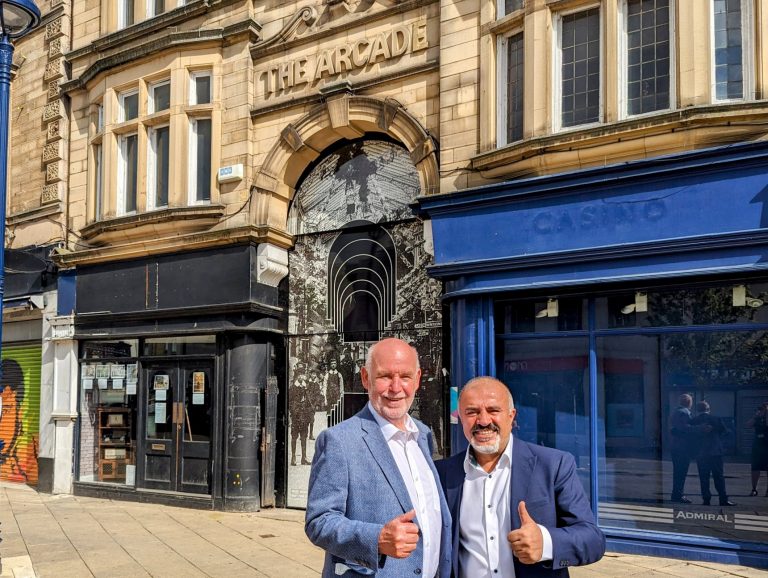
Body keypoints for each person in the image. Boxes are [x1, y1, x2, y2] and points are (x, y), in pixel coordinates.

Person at [305, 338, 451, 578]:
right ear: (365, 378)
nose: (395, 388)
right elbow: (319, 522)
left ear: (417, 379)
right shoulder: (338, 440)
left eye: (405, 377)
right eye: (385, 376)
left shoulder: (424, 434)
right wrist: (377, 539)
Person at [435, 377, 605, 578]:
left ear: (511, 415)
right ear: (460, 418)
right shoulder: (441, 472)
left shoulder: (553, 465)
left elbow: (593, 540)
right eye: (472, 412)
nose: (483, 421)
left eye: (493, 410)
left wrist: (546, 542)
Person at [690, 400, 735, 507]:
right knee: (718, 476)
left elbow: (690, 437)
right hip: (715, 452)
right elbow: (726, 432)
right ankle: (723, 499)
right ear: (708, 409)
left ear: (697, 410)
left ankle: (706, 499)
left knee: (703, 477)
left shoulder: (694, 421)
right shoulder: (716, 419)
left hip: (701, 453)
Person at [669, 394, 700, 504]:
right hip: (682, 447)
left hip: (676, 446)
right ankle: (678, 495)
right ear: (689, 402)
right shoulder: (684, 413)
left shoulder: (676, 411)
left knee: (678, 471)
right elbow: (685, 428)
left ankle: (677, 494)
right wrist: (699, 428)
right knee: (681, 472)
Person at [747, 402, 768, 496]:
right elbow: (749, 424)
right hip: (758, 444)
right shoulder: (758, 418)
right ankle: (754, 489)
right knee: (755, 467)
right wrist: (757, 416)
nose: (763, 409)